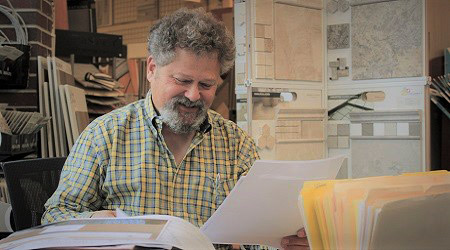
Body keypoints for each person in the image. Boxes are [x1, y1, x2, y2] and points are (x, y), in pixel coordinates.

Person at [42, 8, 308, 250]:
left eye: (206, 85)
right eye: (182, 80)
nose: (193, 95)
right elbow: (55, 215)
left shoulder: (236, 145)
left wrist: (284, 242)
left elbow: (259, 235)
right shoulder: (105, 135)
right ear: (152, 69)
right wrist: (92, 220)